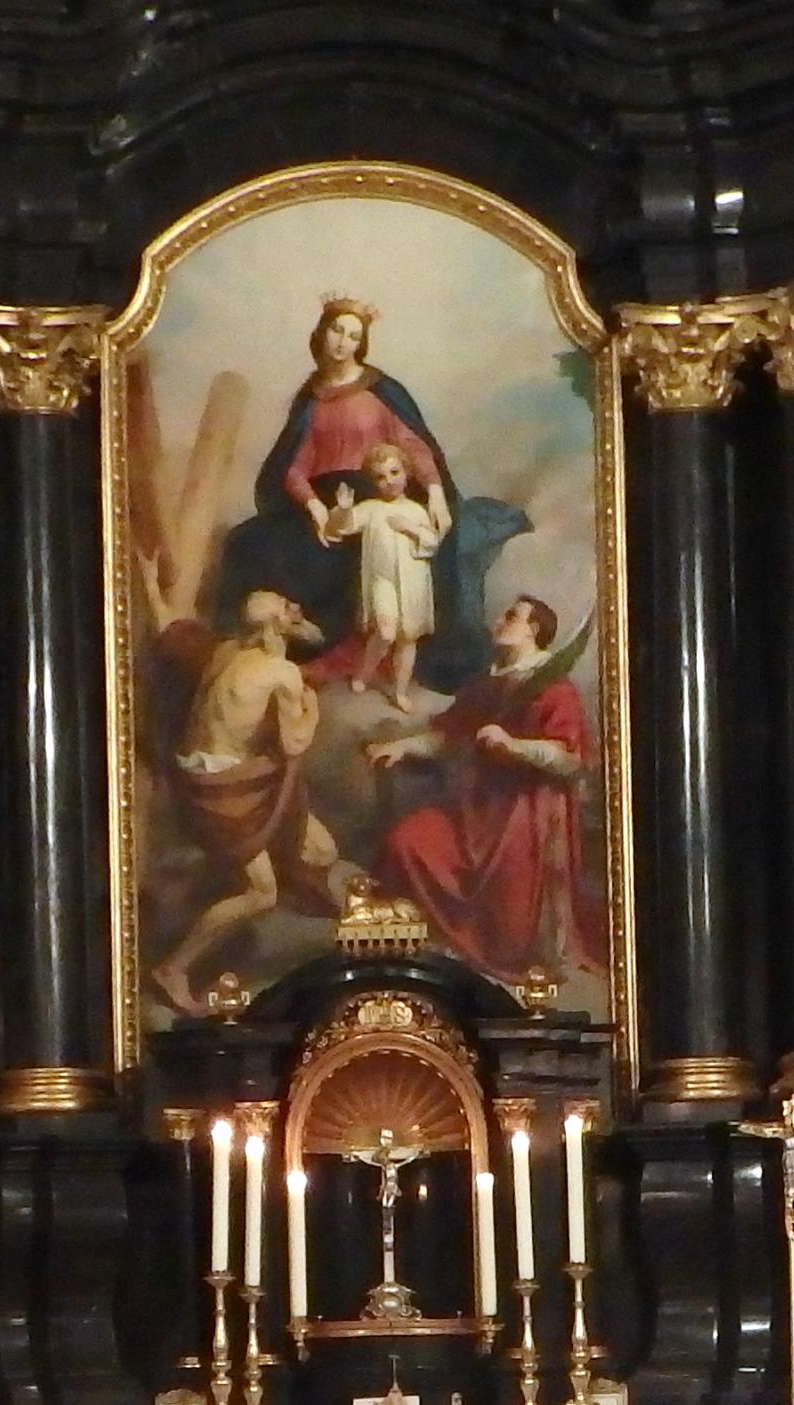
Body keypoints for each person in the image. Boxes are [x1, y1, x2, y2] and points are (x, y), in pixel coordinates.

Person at [213, 297, 526, 700]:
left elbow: (412, 445)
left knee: (365, 558)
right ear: (322, 333)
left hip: (374, 494)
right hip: (328, 503)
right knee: (247, 542)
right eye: (336, 330)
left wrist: (434, 492)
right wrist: (316, 509)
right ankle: (262, 642)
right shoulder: (310, 398)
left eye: (352, 335)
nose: (342, 342)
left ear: (361, 344)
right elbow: (294, 468)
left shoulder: (380, 391)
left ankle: (350, 652)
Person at [367, 596, 596, 982]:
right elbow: (449, 734)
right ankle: (426, 945)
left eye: (512, 616)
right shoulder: (488, 684)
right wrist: (402, 746)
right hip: (475, 807)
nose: (500, 622)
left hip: (525, 814)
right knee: (405, 842)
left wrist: (513, 745)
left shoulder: (556, 688)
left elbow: (569, 758)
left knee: (509, 931)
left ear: (533, 630)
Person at [151, 587, 343, 1014]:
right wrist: (311, 708)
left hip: (199, 777)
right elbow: (294, 743)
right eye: (288, 608)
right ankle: (173, 968)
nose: (296, 607)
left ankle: (274, 869)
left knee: (321, 848)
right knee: (262, 893)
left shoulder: (227, 652)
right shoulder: (281, 673)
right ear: (276, 625)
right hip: (227, 794)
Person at [315, 439, 450, 705]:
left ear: (406, 473)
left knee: (407, 638)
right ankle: (364, 673)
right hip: (383, 580)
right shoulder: (371, 509)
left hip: (412, 584)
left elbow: (432, 542)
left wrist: (410, 528)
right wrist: (343, 510)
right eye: (380, 477)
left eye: (394, 472)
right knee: (386, 632)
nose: (389, 481)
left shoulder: (416, 510)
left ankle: (400, 691)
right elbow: (338, 528)